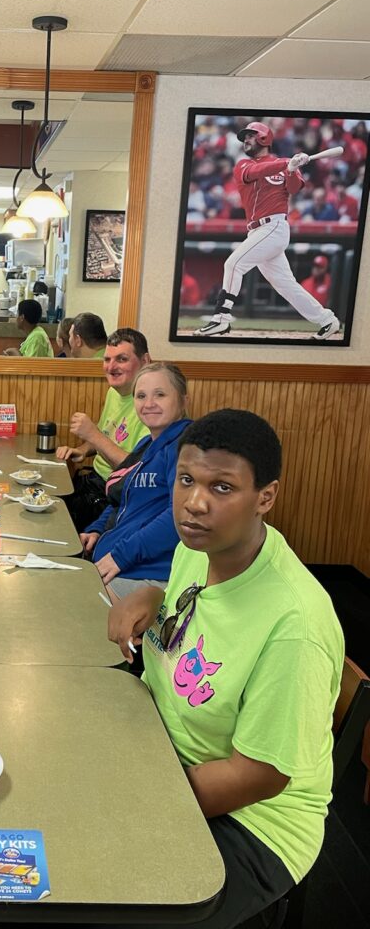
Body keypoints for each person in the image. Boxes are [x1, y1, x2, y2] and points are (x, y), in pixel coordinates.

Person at [108, 409, 344, 928]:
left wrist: (127, 798)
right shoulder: (202, 546)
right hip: (164, 749)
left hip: (252, 824)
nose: (194, 502)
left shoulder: (295, 626)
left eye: (222, 487)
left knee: (97, 891)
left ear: (266, 497)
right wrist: (152, 594)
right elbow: (198, 606)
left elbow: (257, 776)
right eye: (187, 479)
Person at [195, 122, 340, 340]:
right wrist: (286, 163)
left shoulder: (284, 167)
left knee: (233, 264)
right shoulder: (242, 165)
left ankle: (220, 319)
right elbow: (258, 170)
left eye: (251, 136)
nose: (246, 140)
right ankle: (327, 320)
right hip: (256, 232)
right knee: (285, 285)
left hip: (274, 226)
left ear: (264, 138)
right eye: (245, 137)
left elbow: (293, 188)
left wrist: (291, 170)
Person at [80, 362, 191, 601]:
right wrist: (98, 529)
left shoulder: (185, 447)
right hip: (119, 560)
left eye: (160, 394)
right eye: (141, 396)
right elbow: (122, 497)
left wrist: (121, 556)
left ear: (183, 400)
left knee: (77, 605)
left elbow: (180, 517)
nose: (149, 403)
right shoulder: (146, 445)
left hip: (151, 574)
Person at [57, 327, 150, 528]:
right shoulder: (114, 393)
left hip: (116, 494)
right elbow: (104, 437)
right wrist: (81, 450)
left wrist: (92, 434)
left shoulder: (150, 408)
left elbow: (136, 472)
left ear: (145, 361)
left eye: (122, 359)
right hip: (94, 480)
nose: (111, 367)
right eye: (107, 360)